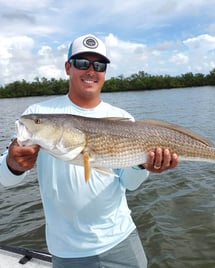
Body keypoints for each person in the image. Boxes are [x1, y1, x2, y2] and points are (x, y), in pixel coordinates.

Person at [0, 33, 178, 268]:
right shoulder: (38, 114)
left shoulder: (124, 119)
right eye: (82, 63)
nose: (91, 70)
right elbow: (5, 179)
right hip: (67, 250)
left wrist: (143, 165)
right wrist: (13, 164)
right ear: (67, 67)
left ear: (105, 72)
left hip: (121, 240)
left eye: (99, 65)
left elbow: (129, 183)